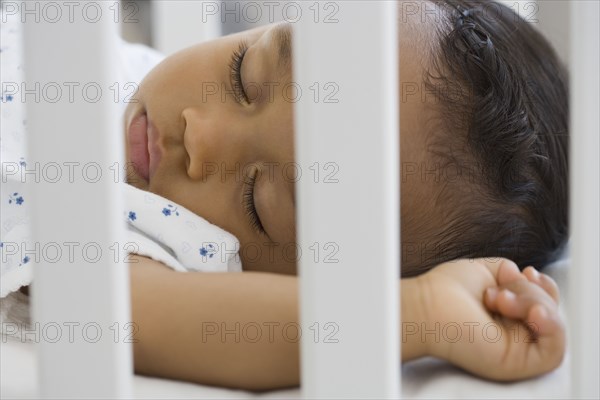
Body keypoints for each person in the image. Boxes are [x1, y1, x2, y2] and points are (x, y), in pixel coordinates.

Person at [3, 0, 568, 391]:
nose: (200, 135)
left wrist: (417, 313)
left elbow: (130, 316)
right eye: (242, 74)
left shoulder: (156, 244)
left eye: (258, 202)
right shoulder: (109, 63)